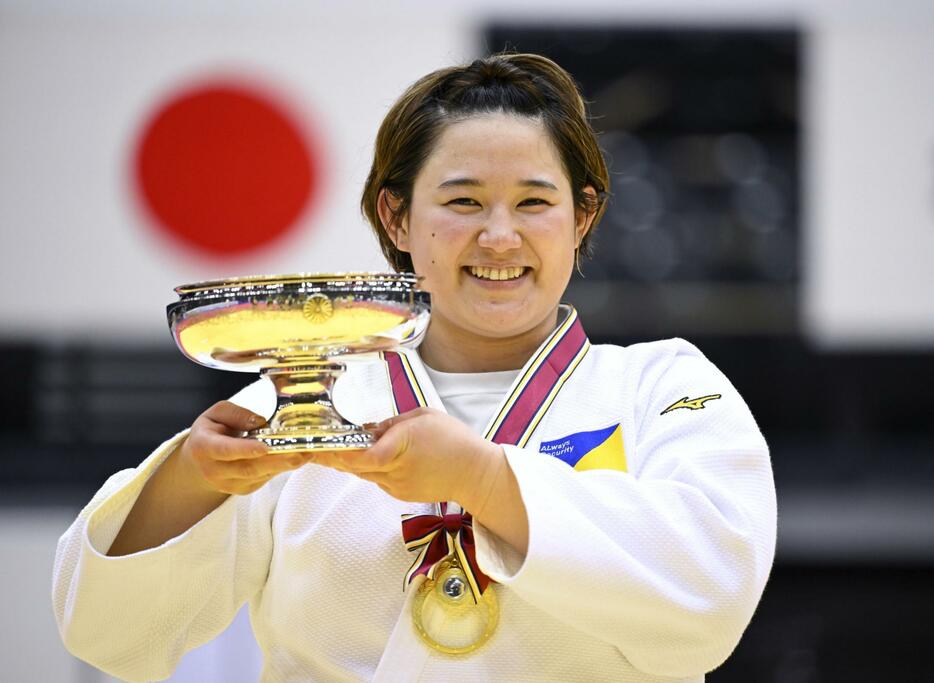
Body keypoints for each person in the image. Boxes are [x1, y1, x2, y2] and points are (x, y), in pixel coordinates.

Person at [53, 53, 776, 682]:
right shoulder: (308, 407)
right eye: (462, 201)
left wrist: (481, 478)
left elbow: (711, 596)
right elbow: (110, 634)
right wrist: (193, 476)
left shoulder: (666, 387)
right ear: (396, 218)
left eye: (535, 201)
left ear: (583, 218)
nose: (500, 235)